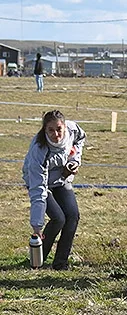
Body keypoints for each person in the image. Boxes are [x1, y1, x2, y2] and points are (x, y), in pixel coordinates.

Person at [22, 110, 86, 270]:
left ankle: (60, 263)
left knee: (73, 216)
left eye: (59, 129)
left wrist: (74, 160)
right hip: (39, 182)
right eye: (50, 130)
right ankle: (37, 259)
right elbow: (38, 191)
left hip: (61, 179)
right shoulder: (39, 149)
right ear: (45, 130)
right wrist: (36, 226)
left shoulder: (72, 129)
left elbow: (80, 139)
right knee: (58, 218)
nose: (56, 134)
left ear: (65, 126)